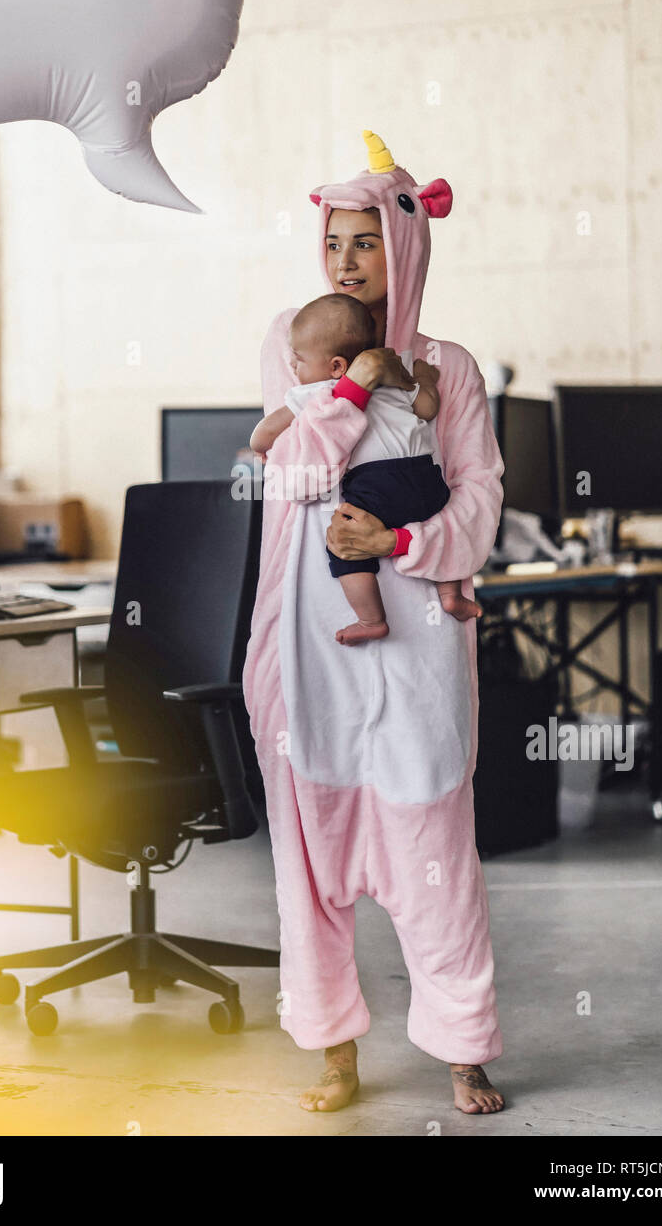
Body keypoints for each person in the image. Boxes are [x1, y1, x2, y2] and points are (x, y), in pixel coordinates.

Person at [242, 131, 506, 1115]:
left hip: (419, 633)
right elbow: (296, 474)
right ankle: (335, 1048)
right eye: (335, 244)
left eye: (365, 244)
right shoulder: (297, 337)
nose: (348, 263)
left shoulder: (450, 368)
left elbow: (477, 504)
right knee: (312, 847)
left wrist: (401, 540)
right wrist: (353, 385)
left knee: (435, 847)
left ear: (405, 249)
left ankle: (464, 1045)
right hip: (315, 636)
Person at [249, 292, 481, 644]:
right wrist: (426, 381)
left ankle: (371, 619)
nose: (293, 368)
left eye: (298, 360)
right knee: (437, 522)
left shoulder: (316, 392)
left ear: (337, 367)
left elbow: (262, 433)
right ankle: (450, 594)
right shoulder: (392, 382)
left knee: (344, 545)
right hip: (426, 476)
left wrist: (263, 447)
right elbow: (428, 408)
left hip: (377, 485)